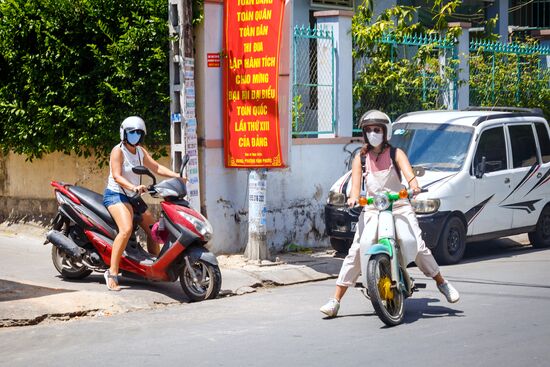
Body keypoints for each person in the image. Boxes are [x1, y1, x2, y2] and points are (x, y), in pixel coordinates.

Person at [320, 110, 459, 317]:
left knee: (417, 245)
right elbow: (356, 186)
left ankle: (442, 282)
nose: (373, 133)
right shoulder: (361, 157)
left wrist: (414, 185)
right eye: (368, 130)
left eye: (377, 129)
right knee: (356, 249)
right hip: (373, 208)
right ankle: (335, 300)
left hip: (399, 205)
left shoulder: (396, 153)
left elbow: (410, 175)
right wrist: (353, 197)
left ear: (386, 132)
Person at [103, 116, 186, 291]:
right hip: (116, 195)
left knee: (154, 230)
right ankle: (112, 273)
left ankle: (154, 268)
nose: (135, 136)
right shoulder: (117, 151)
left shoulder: (140, 151)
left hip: (133, 196)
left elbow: (155, 167)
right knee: (125, 230)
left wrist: (176, 176)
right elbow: (117, 176)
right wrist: (133, 186)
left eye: (138, 133)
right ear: (124, 133)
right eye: (132, 132)